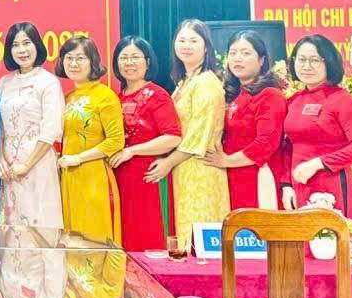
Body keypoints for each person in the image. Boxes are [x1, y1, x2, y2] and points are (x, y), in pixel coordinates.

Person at [147, 19, 229, 251]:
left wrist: (168, 162)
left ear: (206, 47)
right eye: (181, 40)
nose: (186, 45)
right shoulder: (186, 81)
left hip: (201, 169)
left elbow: (198, 134)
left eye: (194, 40)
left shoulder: (206, 83)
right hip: (183, 168)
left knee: (199, 239)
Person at [283, 34, 352, 219]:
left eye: (314, 60)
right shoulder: (294, 100)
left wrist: (318, 164)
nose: (306, 66)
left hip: (331, 182)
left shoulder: (342, 100)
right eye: (301, 59)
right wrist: (286, 185)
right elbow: (288, 146)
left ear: (329, 62)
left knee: (330, 235)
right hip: (299, 183)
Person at [108, 36, 180, 251]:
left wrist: (132, 151)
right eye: (123, 58)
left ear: (148, 62)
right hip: (120, 178)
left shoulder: (157, 95)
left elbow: (173, 137)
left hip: (148, 178)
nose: (129, 63)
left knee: (148, 239)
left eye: (135, 57)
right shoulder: (115, 99)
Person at [205, 30, 287, 210]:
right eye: (233, 53)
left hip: (257, 178)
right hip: (231, 177)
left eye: (245, 53)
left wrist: (227, 161)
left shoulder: (270, 95)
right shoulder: (232, 94)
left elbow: (266, 144)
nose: (237, 59)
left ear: (262, 60)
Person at [56, 35, 124, 244]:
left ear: (92, 61)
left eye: (80, 58)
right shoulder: (67, 97)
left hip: (94, 177)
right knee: (71, 238)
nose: (73, 64)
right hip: (68, 177)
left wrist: (78, 158)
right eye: (69, 58)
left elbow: (116, 141)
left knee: (94, 238)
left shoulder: (105, 96)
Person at [0, 21, 63, 229]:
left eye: (27, 43)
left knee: (38, 223)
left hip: (37, 163)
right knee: (11, 225)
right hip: (9, 167)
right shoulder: (4, 83)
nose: (22, 50)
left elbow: (51, 130)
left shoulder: (48, 82)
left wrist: (27, 165)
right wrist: (0, 159)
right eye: (15, 45)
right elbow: (0, 126)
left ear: (37, 45)